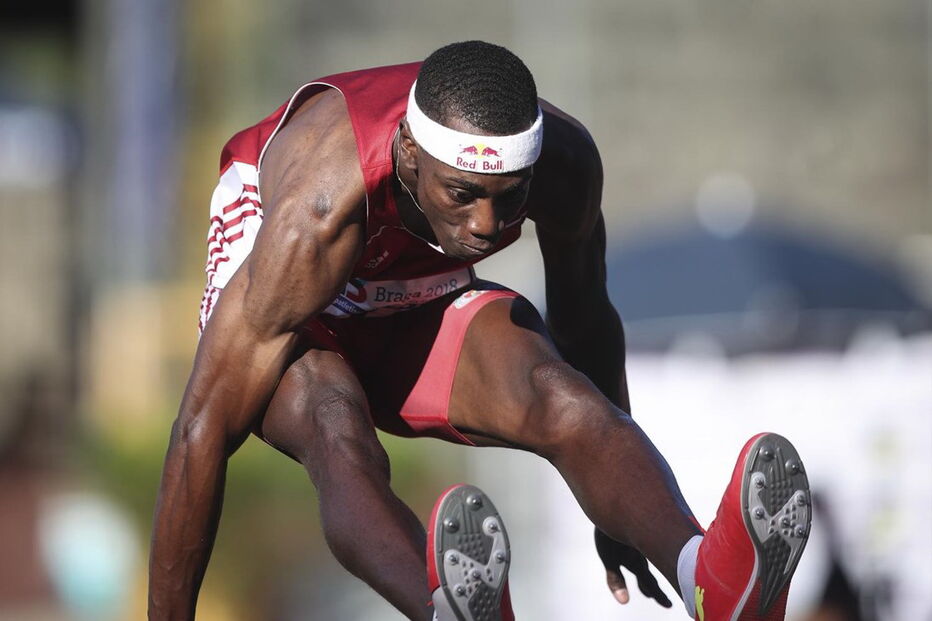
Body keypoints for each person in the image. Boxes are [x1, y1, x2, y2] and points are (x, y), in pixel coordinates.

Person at [148, 40, 811, 620]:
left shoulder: (566, 163)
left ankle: (709, 575)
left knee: (556, 391)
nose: (487, 227)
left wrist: (625, 517)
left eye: (510, 196)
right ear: (409, 153)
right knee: (334, 424)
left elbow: (585, 318)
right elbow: (200, 428)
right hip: (300, 308)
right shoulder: (315, 213)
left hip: (407, 297)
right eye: (462, 193)